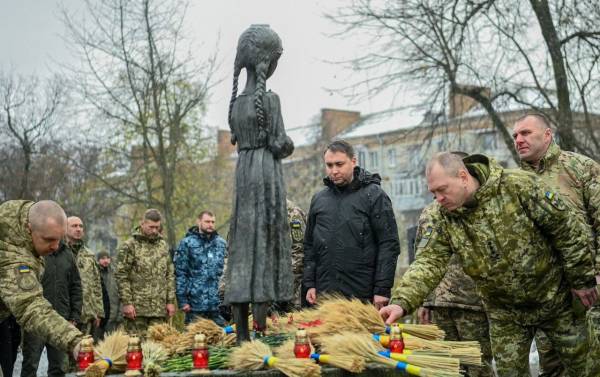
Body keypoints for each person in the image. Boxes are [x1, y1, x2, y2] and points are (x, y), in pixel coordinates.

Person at [380, 152, 597, 376]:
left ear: (463, 176)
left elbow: (567, 231)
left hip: (555, 300)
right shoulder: (440, 216)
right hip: (505, 311)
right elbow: (428, 262)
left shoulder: (518, 186)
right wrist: (402, 302)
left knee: (585, 367)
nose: (439, 198)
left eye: (442, 189)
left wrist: (582, 280)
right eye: (433, 192)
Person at [513, 113, 600, 376]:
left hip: (587, 291)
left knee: (591, 364)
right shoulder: (513, 182)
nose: (519, 140)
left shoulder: (580, 168)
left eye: (526, 133)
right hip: (544, 297)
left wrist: (596, 273)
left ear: (547, 135)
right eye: (515, 135)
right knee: (552, 366)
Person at [224, 24, 295, 343]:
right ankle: (262, 324)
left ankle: (242, 332)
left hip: (244, 176)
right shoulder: (272, 100)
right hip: (266, 177)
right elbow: (280, 143)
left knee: (243, 247)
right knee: (265, 242)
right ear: (268, 61)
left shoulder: (237, 105)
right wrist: (288, 144)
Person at [303, 140, 400, 309]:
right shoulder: (319, 199)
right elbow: (310, 245)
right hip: (325, 294)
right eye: (329, 165)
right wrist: (310, 283)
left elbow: (388, 244)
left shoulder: (374, 195)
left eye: (339, 164)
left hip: (362, 295)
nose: (334, 171)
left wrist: (382, 289)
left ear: (353, 161)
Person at [0, 200, 84, 377]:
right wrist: (73, 341)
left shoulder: (23, 220)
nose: (54, 247)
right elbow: (30, 306)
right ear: (29, 228)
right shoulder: (13, 258)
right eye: (49, 240)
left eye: (59, 240)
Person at [416, 204, 493, 377]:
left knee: (477, 363)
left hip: (471, 302)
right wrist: (425, 302)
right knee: (448, 364)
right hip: (440, 302)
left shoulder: (476, 206)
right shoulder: (429, 212)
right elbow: (422, 259)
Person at [21, 240, 82, 377]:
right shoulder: (34, 249)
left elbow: (76, 286)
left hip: (61, 320)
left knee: (59, 367)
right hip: (36, 319)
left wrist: (74, 316)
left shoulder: (68, 254)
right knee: (30, 365)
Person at [115, 209, 176, 336]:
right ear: (142, 224)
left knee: (159, 348)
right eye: (151, 227)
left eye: (157, 227)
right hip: (137, 311)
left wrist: (170, 301)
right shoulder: (130, 245)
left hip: (159, 310)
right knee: (136, 349)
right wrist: (127, 303)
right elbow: (121, 275)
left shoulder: (163, 246)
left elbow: (169, 275)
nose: (154, 231)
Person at [175, 211, 227, 326]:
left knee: (222, 340)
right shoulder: (187, 243)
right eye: (207, 221)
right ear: (199, 222)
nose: (210, 225)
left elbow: (226, 272)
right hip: (195, 304)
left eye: (213, 222)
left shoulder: (221, 244)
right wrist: (182, 301)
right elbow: (180, 273)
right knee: (196, 341)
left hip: (217, 305)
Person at [64, 216, 104, 336]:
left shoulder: (89, 255)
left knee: (85, 351)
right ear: (65, 229)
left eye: (81, 226)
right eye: (74, 226)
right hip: (66, 315)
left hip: (87, 314)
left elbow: (96, 284)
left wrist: (98, 312)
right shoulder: (58, 252)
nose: (78, 229)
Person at [94, 251, 122, 340]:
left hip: (113, 316)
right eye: (102, 258)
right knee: (97, 341)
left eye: (107, 258)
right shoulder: (94, 273)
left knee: (112, 341)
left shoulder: (115, 273)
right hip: (98, 316)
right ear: (98, 260)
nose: (105, 261)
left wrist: (120, 315)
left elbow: (121, 294)